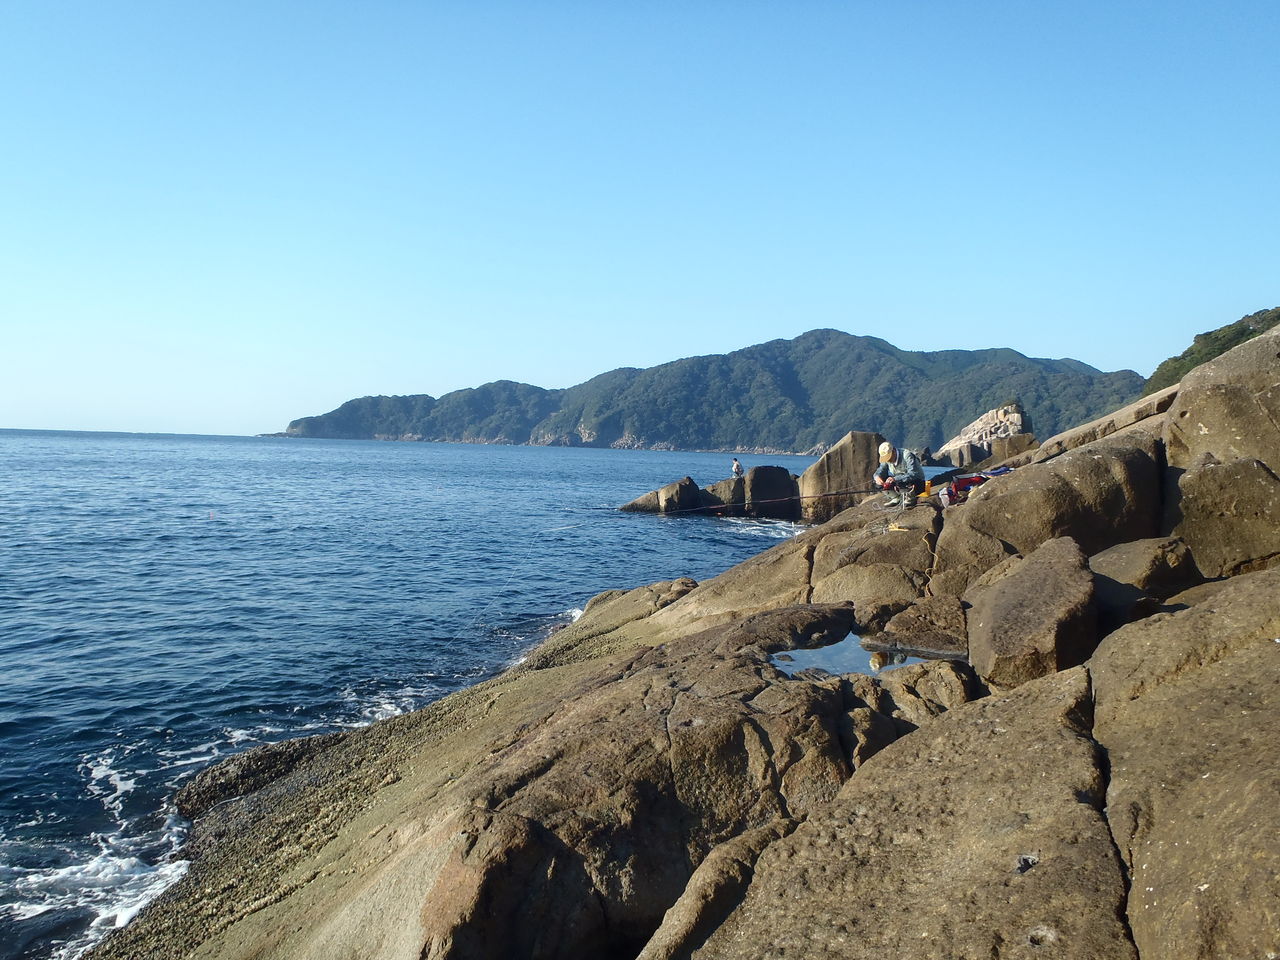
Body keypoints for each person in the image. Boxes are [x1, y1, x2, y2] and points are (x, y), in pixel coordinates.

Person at [873, 441, 925, 507]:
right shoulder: (887, 460)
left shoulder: (907, 455)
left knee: (902, 482)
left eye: (889, 457)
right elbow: (880, 470)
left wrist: (895, 479)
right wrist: (877, 477)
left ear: (893, 451)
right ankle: (896, 498)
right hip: (899, 480)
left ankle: (910, 498)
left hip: (916, 481)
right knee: (877, 483)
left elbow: (913, 473)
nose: (888, 460)